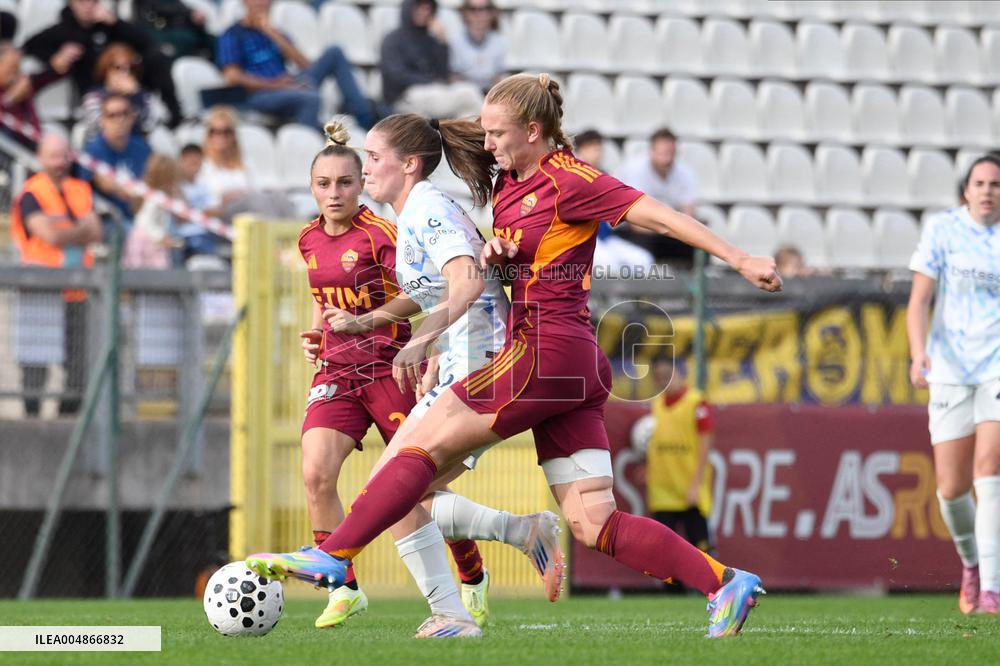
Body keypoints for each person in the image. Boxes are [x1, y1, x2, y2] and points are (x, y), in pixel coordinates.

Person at [247, 73, 782, 638]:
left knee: (418, 448)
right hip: (572, 366)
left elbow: (660, 216)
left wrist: (740, 258)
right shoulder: (507, 183)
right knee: (592, 522)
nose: (487, 143)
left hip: (544, 351)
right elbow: (518, 262)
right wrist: (500, 255)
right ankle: (725, 582)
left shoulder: (572, 179)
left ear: (532, 129)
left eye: (497, 133)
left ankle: (336, 556)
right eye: (483, 132)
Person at [292, 118, 552, 636]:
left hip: (482, 365)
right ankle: (513, 543)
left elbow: (468, 283)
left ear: (409, 164)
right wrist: (386, 330)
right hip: (464, 360)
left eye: (372, 158)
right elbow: (440, 291)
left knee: (393, 488)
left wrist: (420, 340)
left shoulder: (425, 210)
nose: (364, 170)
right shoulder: (413, 210)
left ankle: (459, 595)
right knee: (400, 490)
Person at [907, 154, 1000, 615]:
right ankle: (971, 564)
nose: (987, 191)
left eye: (995, 184)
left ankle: (992, 590)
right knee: (950, 488)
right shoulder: (942, 230)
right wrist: (918, 352)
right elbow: (919, 300)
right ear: (966, 190)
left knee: (989, 471)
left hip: (996, 366)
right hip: (948, 368)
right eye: (980, 183)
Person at [9, 134, 102, 416]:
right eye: (53, 156)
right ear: (40, 158)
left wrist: (67, 234)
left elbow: (96, 232)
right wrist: (80, 232)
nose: (60, 163)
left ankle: (66, 423)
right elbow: (49, 236)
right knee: (35, 366)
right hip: (41, 290)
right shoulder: (32, 193)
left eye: (63, 156)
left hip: (77, 292)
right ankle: (33, 422)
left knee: (79, 367)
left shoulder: (81, 189)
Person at [216, 0, 374, 129]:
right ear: (245, 2)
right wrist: (275, 84)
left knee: (334, 52)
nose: (262, 3)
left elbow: (304, 65)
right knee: (311, 98)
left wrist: (271, 33)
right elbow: (233, 77)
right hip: (259, 94)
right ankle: (307, 146)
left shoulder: (275, 32)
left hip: (287, 85)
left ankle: (365, 118)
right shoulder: (232, 34)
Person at [22, 0, 182, 126]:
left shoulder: (109, 26)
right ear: (71, 3)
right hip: (96, 91)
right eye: (82, 1)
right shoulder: (64, 31)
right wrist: (54, 57)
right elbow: (28, 46)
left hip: (127, 84)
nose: (88, 6)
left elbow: (146, 43)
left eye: (93, 1)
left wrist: (115, 22)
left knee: (156, 58)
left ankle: (175, 117)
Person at [640, 356, 716, 561]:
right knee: (664, 554)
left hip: (689, 488)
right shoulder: (656, 406)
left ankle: (711, 582)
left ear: (679, 374)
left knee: (702, 552)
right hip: (663, 491)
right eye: (659, 377)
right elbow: (656, 443)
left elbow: (706, 443)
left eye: (668, 376)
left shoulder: (696, 402)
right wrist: (649, 469)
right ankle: (673, 584)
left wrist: (696, 484)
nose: (664, 381)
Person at [380, 0, 482, 119]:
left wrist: (442, 42)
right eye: (419, 7)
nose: (424, 12)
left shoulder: (431, 40)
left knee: (466, 112)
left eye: (427, 8)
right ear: (408, 8)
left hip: (432, 93)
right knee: (468, 94)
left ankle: (471, 131)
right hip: (404, 97)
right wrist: (429, 81)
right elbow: (396, 76)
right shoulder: (392, 40)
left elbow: (443, 74)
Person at [615, 128, 699, 265]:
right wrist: (669, 227)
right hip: (636, 231)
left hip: (666, 231)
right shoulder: (635, 171)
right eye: (662, 153)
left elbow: (689, 212)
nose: (666, 158)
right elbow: (633, 220)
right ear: (651, 151)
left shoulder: (685, 173)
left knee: (697, 244)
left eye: (669, 152)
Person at [575, 129, 655, 274]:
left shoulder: (604, 176)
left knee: (643, 260)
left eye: (599, 148)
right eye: (593, 148)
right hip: (580, 241)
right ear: (581, 150)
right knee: (609, 265)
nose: (598, 153)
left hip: (605, 238)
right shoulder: (572, 176)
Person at [196, 105, 294, 222]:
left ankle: (299, 231)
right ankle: (274, 230)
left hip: (247, 208)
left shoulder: (244, 163)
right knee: (254, 199)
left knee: (278, 195)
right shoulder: (203, 165)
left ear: (233, 135)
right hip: (222, 213)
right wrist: (226, 199)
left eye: (226, 132)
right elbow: (204, 201)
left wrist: (239, 194)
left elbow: (255, 189)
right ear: (208, 135)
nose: (220, 136)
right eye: (215, 131)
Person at [80, 93, 152, 231]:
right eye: (112, 115)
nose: (119, 120)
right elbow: (102, 185)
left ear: (132, 118)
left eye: (124, 113)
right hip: (111, 220)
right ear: (102, 120)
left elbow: (153, 179)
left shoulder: (143, 147)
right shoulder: (92, 151)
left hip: (143, 213)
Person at [79, 43, 163, 143]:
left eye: (131, 68)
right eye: (118, 68)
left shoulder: (141, 94)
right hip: (102, 146)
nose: (126, 73)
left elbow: (150, 124)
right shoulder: (94, 96)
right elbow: (97, 126)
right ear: (106, 70)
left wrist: (135, 96)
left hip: (136, 145)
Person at [0, 12, 62, 147]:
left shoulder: (22, 84)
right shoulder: (11, 92)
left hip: (31, 145)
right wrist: (9, 99)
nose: (17, 75)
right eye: (12, 70)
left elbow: (44, 78)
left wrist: (57, 67)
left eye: (18, 68)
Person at [123, 154, 183, 268]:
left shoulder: (152, 193)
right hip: (147, 241)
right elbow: (145, 222)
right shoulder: (155, 199)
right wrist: (160, 237)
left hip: (151, 240)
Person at [449, 0, 505, 94]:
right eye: (473, 9)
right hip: (465, 95)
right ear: (465, 13)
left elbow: (499, 76)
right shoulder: (455, 41)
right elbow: (454, 77)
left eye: (484, 9)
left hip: (491, 93)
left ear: (491, 13)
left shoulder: (500, 41)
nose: (479, 14)